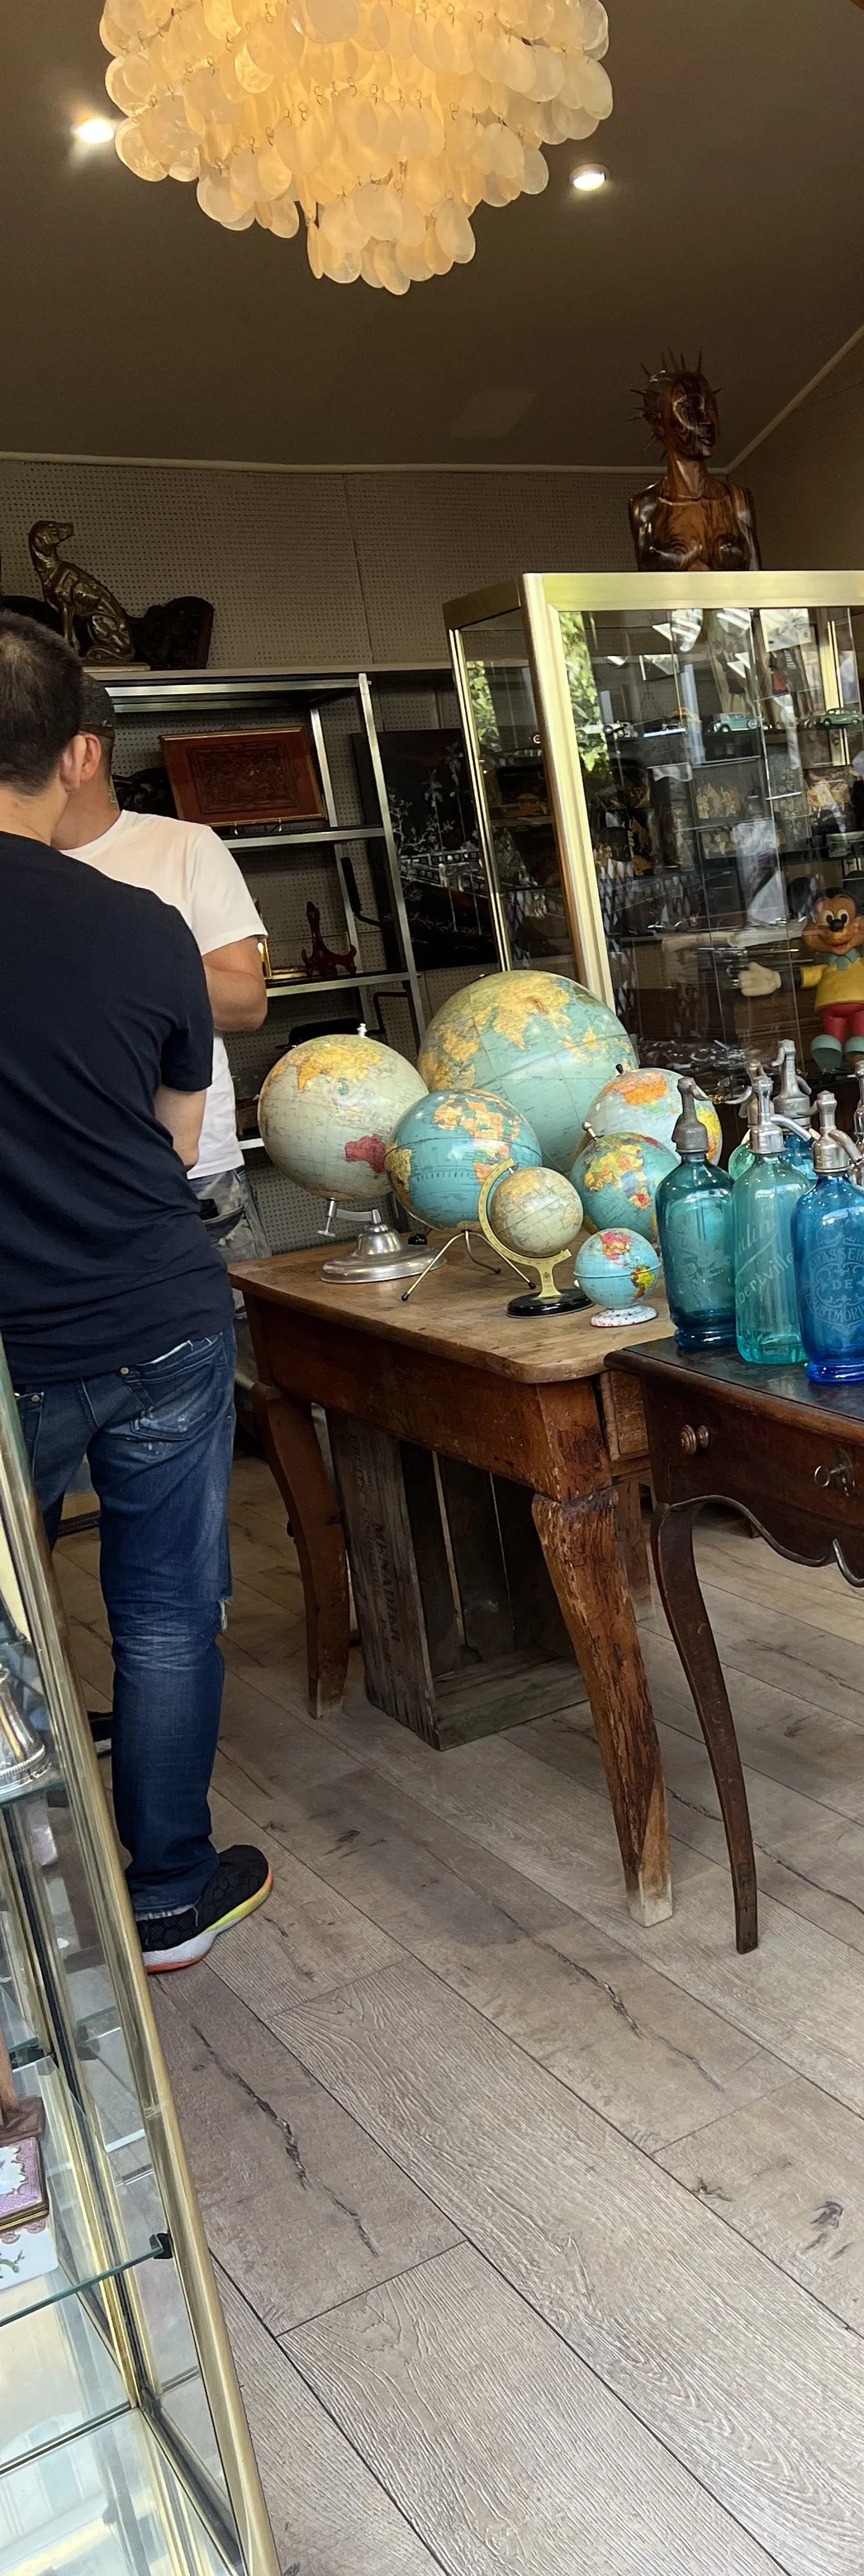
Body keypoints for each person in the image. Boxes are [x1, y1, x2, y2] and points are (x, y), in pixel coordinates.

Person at [0, 614, 270, 1972]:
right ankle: (169, 1889)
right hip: (162, 1311)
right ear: (68, 757)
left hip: (12, 1347)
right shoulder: (144, 922)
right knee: (167, 1606)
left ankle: (25, 1918)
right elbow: (175, 1135)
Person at [55, 677, 270, 1269]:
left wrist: (137, 958)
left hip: (195, 1172)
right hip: (53, 1175)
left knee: (241, 1351)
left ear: (84, 753)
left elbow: (247, 1004)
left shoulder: (185, 847)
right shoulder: (17, 871)